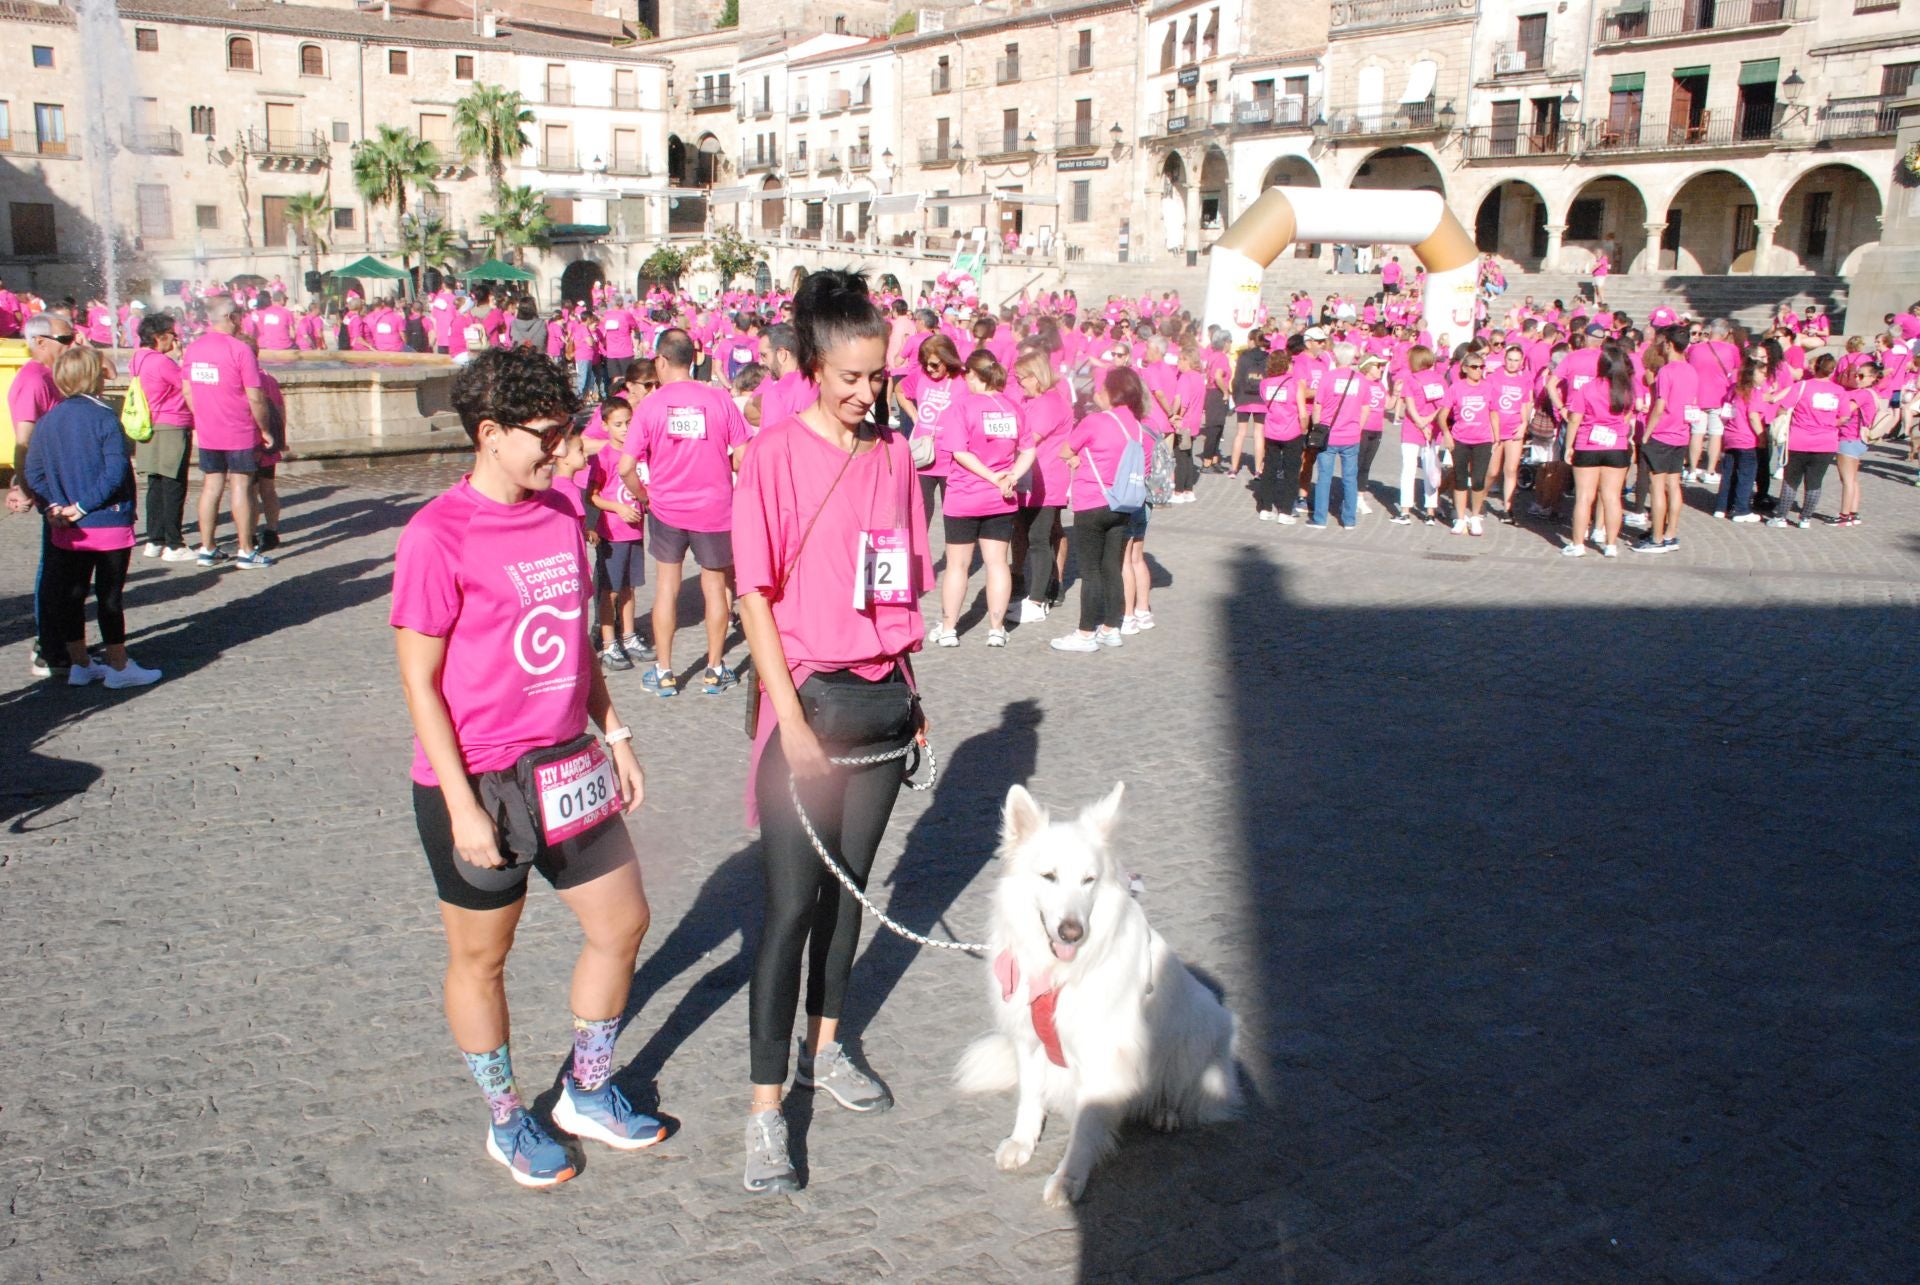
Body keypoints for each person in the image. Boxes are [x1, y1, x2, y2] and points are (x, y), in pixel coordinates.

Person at [390, 346, 658, 1191]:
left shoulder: (559, 512)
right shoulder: (437, 534)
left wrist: (613, 733)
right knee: (482, 960)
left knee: (621, 925)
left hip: (567, 763)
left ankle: (587, 1086)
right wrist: (466, 809)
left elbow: (574, 639)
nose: (564, 450)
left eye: (569, 432)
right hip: (478, 781)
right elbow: (419, 683)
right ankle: (508, 1118)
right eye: (548, 436)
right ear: (490, 434)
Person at [731, 269, 933, 1194]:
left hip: (883, 704)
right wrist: (791, 723)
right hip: (809, 707)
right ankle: (765, 1113)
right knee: (788, 910)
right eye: (850, 375)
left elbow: (894, 580)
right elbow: (754, 597)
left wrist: (912, 689)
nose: (866, 392)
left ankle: (827, 1046)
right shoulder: (773, 453)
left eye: (878, 376)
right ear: (812, 364)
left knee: (850, 893)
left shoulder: (893, 455)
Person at [617, 328, 749, 697]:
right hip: (714, 509)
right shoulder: (718, 399)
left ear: (660, 361)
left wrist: (644, 496)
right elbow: (743, 455)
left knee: (666, 589)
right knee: (716, 588)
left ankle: (664, 671)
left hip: (666, 509)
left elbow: (626, 466)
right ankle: (714, 668)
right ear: (693, 359)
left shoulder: (650, 407)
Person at [25, 345, 161, 688]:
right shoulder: (103, 416)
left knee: (73, 594)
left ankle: (80, 662)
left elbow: (34, 472)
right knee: (109, 595)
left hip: (66, 524)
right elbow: (116, 471)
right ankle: (118, 665)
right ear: (93, 375)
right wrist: (84, 505)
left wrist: (52, 506)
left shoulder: (49, 419)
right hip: (105, 519)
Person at [934, 350, 1034, 647]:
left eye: (966, 374)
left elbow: (959, 451)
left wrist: (991, 477)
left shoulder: (962, 407)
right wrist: (1011, 476)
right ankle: (996, 628)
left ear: (974, 375)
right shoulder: (1012, 407)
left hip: (965, 495)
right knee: (998, 563)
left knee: (957, 565)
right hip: (1001, 497)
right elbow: (1029, 449)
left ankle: (950, 628)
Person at [1051, 367, 1150, 652]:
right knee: (1112, 568)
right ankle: (1111, 627)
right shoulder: (1137, 426)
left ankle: (1085, 633)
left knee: (1090, 570)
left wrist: (1076, 459)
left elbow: (1065, 450)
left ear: (1112, 392)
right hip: (1122, 503)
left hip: (1092, 500)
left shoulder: (1095, 422)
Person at [180, 298, 274, 569]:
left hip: (209, 429)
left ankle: (207, 548)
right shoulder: (240, 350)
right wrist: (265, 428)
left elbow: (187, 390)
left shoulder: (193, 349)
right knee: (241, 486)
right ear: (232, 317)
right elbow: (255, 397)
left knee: (211, 487)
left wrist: (203, 416)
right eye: (241, 316)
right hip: (239, 428)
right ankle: (246, 550)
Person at [11, 312, 73, 678]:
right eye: (65, 340)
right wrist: (26, 486)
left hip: (61, 483)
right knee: (54, 569)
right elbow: (24, 440)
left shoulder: (52, 375)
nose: (72, 345)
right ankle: (47, 647)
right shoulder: (33, 379)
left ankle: (60, 639)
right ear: (40, 341)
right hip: (48, 486)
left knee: (65, 568)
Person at [587, 396, 652, 669]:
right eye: (618, 424)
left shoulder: (637, 454)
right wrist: (617, 508)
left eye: (629, 422)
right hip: (613, 532)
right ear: (605, 426)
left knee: (629, 587)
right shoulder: (602, 458)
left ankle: (629, 635)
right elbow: (593, 496)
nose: (625, 429)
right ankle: (609, 641)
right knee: (609, 590)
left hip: (634, 532)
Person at [1010, 350, 1072, 622]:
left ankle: (1037, 600)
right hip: (1030, 476)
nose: (1019, 382)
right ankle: (1038, 592)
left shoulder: (1050, 402)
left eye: (1022, 378)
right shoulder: (1033, 399)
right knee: (1028, 535)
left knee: (1038, 538)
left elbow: (1029, 438)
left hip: (1046, 477)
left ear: (1036, 377)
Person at [131, 313, 197, 563]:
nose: (176, 339)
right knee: (174, 485)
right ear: (160, 337)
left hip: (151, 424)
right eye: (172, 335)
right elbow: (187, 384)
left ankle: (155, 539)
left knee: (155, 484)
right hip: (171, 424)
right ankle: (174, 543)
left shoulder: (139, 358)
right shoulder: (162, 362)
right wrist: (183, 358)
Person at [1562, 342, 1634, 557]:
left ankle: (1578, 545)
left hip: (1588, 444)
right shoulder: (1626, 390)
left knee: (1584, 496)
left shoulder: (1588, 388)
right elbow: (1628, 417)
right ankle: (1611, 544)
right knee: (1612, 497)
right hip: (1616, 446)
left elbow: (1575, 419)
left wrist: (1568, 446)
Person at [896, 333, 965, 542]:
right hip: (923, 456)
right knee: (919, 515)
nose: (930, 370)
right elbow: (900, 391)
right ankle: (917, 564)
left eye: (935, 365)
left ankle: (955, 562)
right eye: (926, 364)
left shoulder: (963, 379)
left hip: (952, 459)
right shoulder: (921, 376)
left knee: (954, 518)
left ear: (947, 359)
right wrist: (916, 416)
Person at [1636, 325, 1698, 554]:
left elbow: (1660, 406)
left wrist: (1647, 432)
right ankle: (1671, 533)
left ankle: (1657, 537)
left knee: (1657, 486)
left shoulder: (1667, 371)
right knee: (1674, 485)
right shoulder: (1691, 371)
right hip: (1681, 434)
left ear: (1670, 344)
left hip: (1662, 434)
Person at [1766, 352, 1845, 528]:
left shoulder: (1802, 386)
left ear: (1815, 367)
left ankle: (1781, 517)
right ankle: (1806, 518)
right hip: (1826, 442)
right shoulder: (1839, 391)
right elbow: (1845, 416)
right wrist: (1831, 423)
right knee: (1815, 482)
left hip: (1799, 440)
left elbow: (1784, 408)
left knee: (1791, 480)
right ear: (1832, 371)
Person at [1308, 343, 1379, 531]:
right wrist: (1359, 427)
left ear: (1336, 357)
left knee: (1324, 476)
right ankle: (1349, 519)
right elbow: (1366, 407)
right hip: (1351, 435)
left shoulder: (1327, 378)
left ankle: (1320, 518)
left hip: (1329, 435)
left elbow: (1318, 406)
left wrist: (1317, 427)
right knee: (1350, 478)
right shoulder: (1361, 380)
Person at [1441, 348, 1499, 536]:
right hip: (1460, 438)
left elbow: (1493, 413)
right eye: (1474, 367)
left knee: (1479, 479)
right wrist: (1447, 435)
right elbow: (1443, 416)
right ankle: (1459, 518)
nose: (1478, 370)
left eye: (1481, 367)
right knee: (1459, 478)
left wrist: (1496, 436)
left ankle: (1475, 516)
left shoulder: (1489, 387)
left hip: (1482, 439)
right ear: (1465, 368)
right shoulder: (1456, 388)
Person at [1713, 345, 1769, 523]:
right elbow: (1753, 416)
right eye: (1762, 374)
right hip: (1746, 440)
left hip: (1730, 437)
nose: (1765, 377)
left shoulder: (1733, 390)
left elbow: (1725, 412)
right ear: (1753, 374)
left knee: (1728, 474)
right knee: (1746, 475)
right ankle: (1741, 509)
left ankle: (1722, 506)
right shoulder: (1754, 392)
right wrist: (1761, 436)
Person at [1395, 345, 1446, 525]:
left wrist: (1420, 422)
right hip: (1433, 428)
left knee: (1408, 469)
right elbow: (1443, 405)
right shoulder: (1439, 380)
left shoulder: (1410, 379)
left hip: (1412, 427)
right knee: (1431, 468)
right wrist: (1429, 420)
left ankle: (1405, 510)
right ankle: (1430, 512)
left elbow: (1409, 405)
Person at [1253, 351, 1305, 525]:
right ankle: (1285, 510)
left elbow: (1266, 402)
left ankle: (1265, 508)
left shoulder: (1264, 384)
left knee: (1269, 469)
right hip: (1292, 431)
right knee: (1291, 472)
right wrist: (1304, 428)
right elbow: (1302, 412)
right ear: (1286, 364)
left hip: (1272, 430)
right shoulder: (1294, 384)